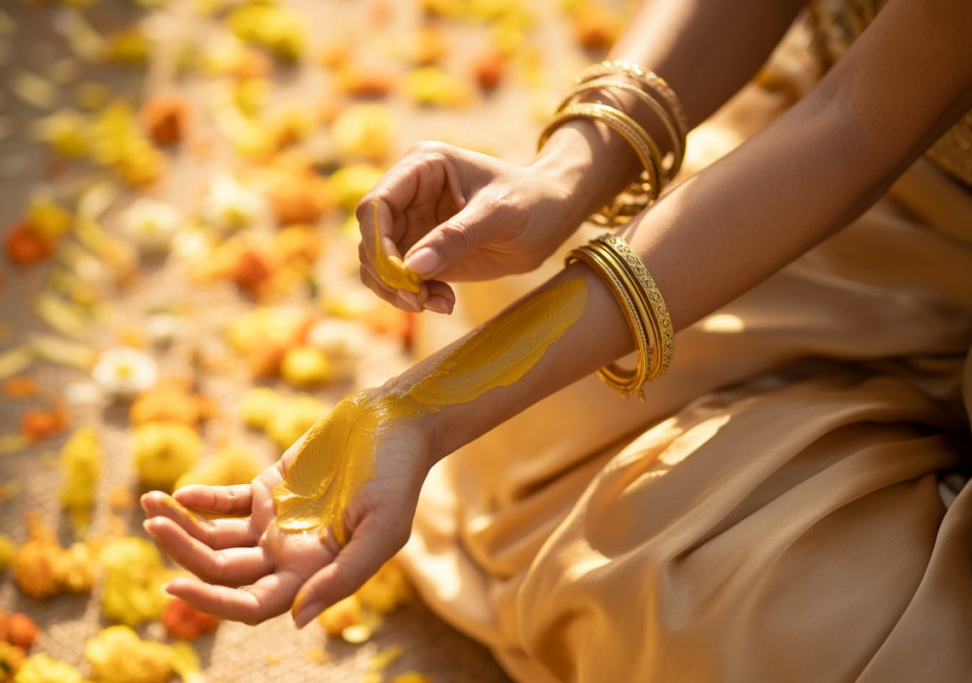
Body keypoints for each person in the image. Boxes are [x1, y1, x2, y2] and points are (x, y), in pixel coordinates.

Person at [141, 0, 972, 680]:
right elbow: (855, 106)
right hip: (875, 166)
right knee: (535, 382)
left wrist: (430, 404)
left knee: (746, 622)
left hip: (870, 138)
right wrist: (569, 171)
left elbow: (860, 123)